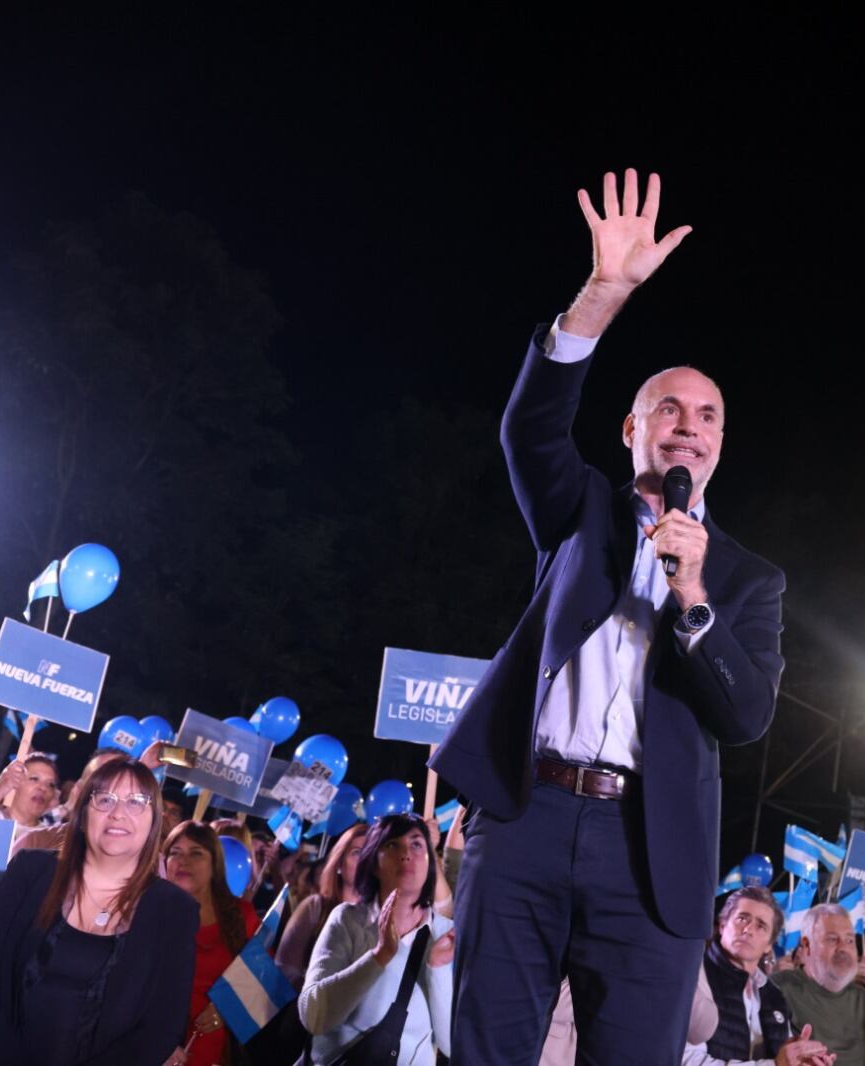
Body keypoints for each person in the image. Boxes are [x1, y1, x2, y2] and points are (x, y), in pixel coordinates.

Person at [429, 168, 786, 1063]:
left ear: (718, 447)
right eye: (668, 407)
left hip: (651, 850)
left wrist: (694, 599)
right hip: (526, 819)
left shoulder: (749, 579)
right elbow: (529, 428)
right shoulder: (578, 510)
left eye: (707, 416)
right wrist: (606, 290)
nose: (687, 425)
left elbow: (745, 717)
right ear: (632, 429)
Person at [0, 751, 197, 1065]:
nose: (118, 813)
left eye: (135, 802)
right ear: (82, 815)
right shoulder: (30, 872)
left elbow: (160, 1025)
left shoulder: (175, 911)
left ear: (154, 820)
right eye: (104, 800)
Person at [299, 814, 455, 1065]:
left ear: (430, 862)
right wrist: (380, 955)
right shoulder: (348, 920)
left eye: (416, 844)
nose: (406, 854)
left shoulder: (445, 936)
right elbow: (314, 1016)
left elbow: (451, 1043)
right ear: (373, 863)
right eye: (392, 844)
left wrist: (437, 970)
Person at [685, 887, 832, 1066]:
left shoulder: (774, 994)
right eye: (742, 918)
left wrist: (801, 1059)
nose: (748, 930)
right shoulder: (694, 977)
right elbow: (687, 1061)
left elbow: (783, 1059)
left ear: (769, 945)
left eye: (760, 926)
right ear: (722, 925)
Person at [163, 821, 260, 1066]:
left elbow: (264, 981)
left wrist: (229, 1009)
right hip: (157, 1047)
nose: (183, 861)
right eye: (175, 853)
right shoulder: (150, 915)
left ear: (214, 864)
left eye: (196, 853)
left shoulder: (242, 916)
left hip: (218, 1050)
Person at [772, 904, 865, 1066]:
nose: (843, 948)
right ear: (807, 945)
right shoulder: (778, 989)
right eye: (832, 939)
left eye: (849, 940)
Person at [277, 822, 369, 986]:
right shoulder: (315, 907)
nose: (365, 860)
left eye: (371, 853)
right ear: (339, 864)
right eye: (357, 853)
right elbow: (285, 969)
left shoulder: (380, 916)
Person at [0, 751, 61, 840]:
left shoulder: (50, 840)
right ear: (15, 781)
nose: (43, 788)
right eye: (34, 779)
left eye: (50, 784)